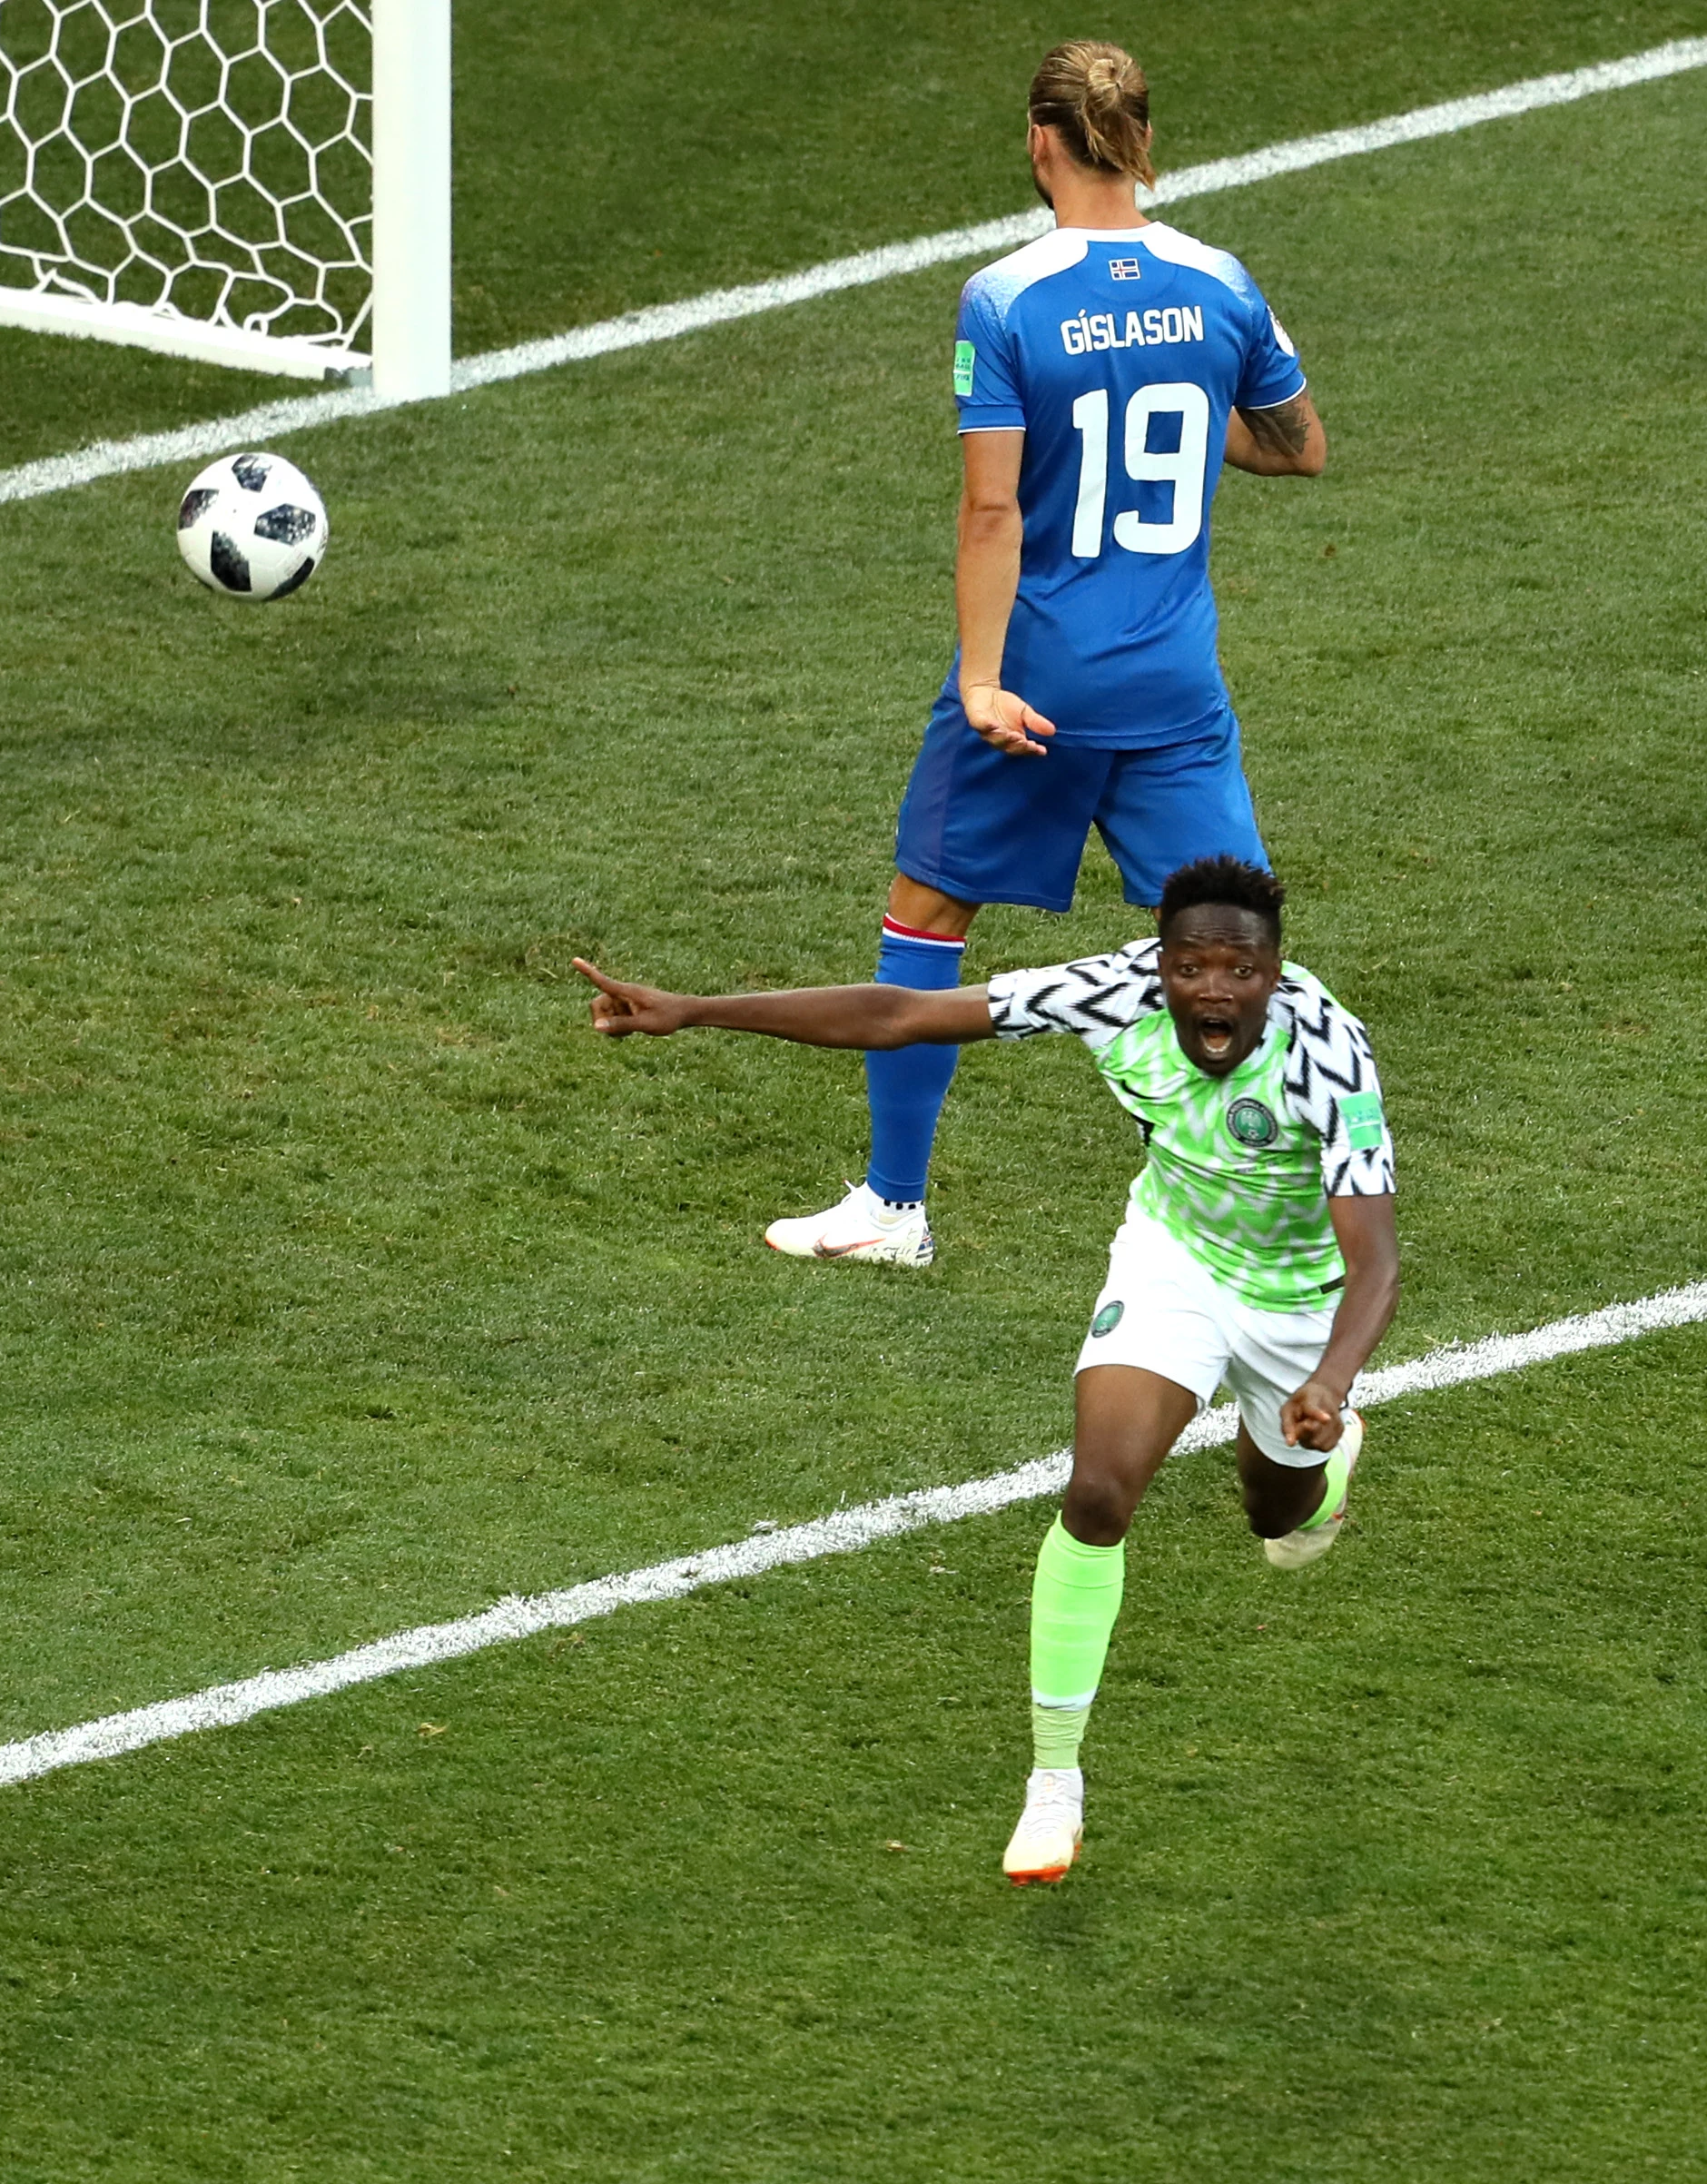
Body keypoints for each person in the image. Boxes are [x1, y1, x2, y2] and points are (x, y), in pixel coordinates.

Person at [578, 855, 1396, 1884]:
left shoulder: (1327, 1048)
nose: (1213, 990)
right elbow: (897, 1014)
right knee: (1097, 1492)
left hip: (1296, 1300)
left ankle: (1318, 1478)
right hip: (1173, 1262)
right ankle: (1054, 1783)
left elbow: (1376, 1256)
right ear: (1162, 962)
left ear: (1274, 972)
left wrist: (1328, 1380)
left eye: (1239, 969)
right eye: (1191, 966)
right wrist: (694, 1010)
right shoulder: (1112, 988)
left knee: (1277, 1517)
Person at [765, 39, 1327, 1267]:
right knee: (1229, 947)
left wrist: (978, 680)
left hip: (1043, 682)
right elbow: (1298, 447)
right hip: (1176, 683)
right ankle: (1262, 1216)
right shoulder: (1223, 282)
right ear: (1138, 137)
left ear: (1039, 140)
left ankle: (894, 1209)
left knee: (928, 912)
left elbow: (989, 511)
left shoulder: (1005, 297)